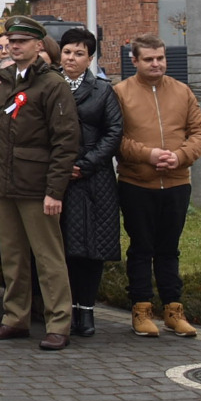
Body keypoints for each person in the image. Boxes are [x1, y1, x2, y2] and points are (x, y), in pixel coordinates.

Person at [0, 16, 80, 350]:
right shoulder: (5, 83)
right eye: (11, 41)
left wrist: (55, 190)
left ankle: (59, 323)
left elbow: (65, 141)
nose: (15, 46)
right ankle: (14, 318)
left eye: (22, 41)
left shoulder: (52, 84)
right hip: (6, 185)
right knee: (12, 257)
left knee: (48, 258)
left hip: (37, 186)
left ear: (39, 45)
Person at [113, 32, 201, 338]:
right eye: (149, 59)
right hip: (136, 183)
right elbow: (115, 139)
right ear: (134, 61)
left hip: (177, 184)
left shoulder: (182, 91)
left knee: (169, 249)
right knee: (141, 248)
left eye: (160, 58)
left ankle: (173, 310)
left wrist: (180, 156)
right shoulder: (120, 93)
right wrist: (149, 155)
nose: (156, 64)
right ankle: (141, 309)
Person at [55, 28, 122, 337]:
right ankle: (66, 308)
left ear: (90, 58)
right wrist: (61, 165)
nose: (72, 58)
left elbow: (114, 132)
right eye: (67, 52)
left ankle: (87, 309)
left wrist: (86, 164)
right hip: (59, 177)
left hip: (95, 179)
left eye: (79, 53)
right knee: (64, 246)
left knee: (93, 247)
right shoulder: (50, 86)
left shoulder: (103, 91)